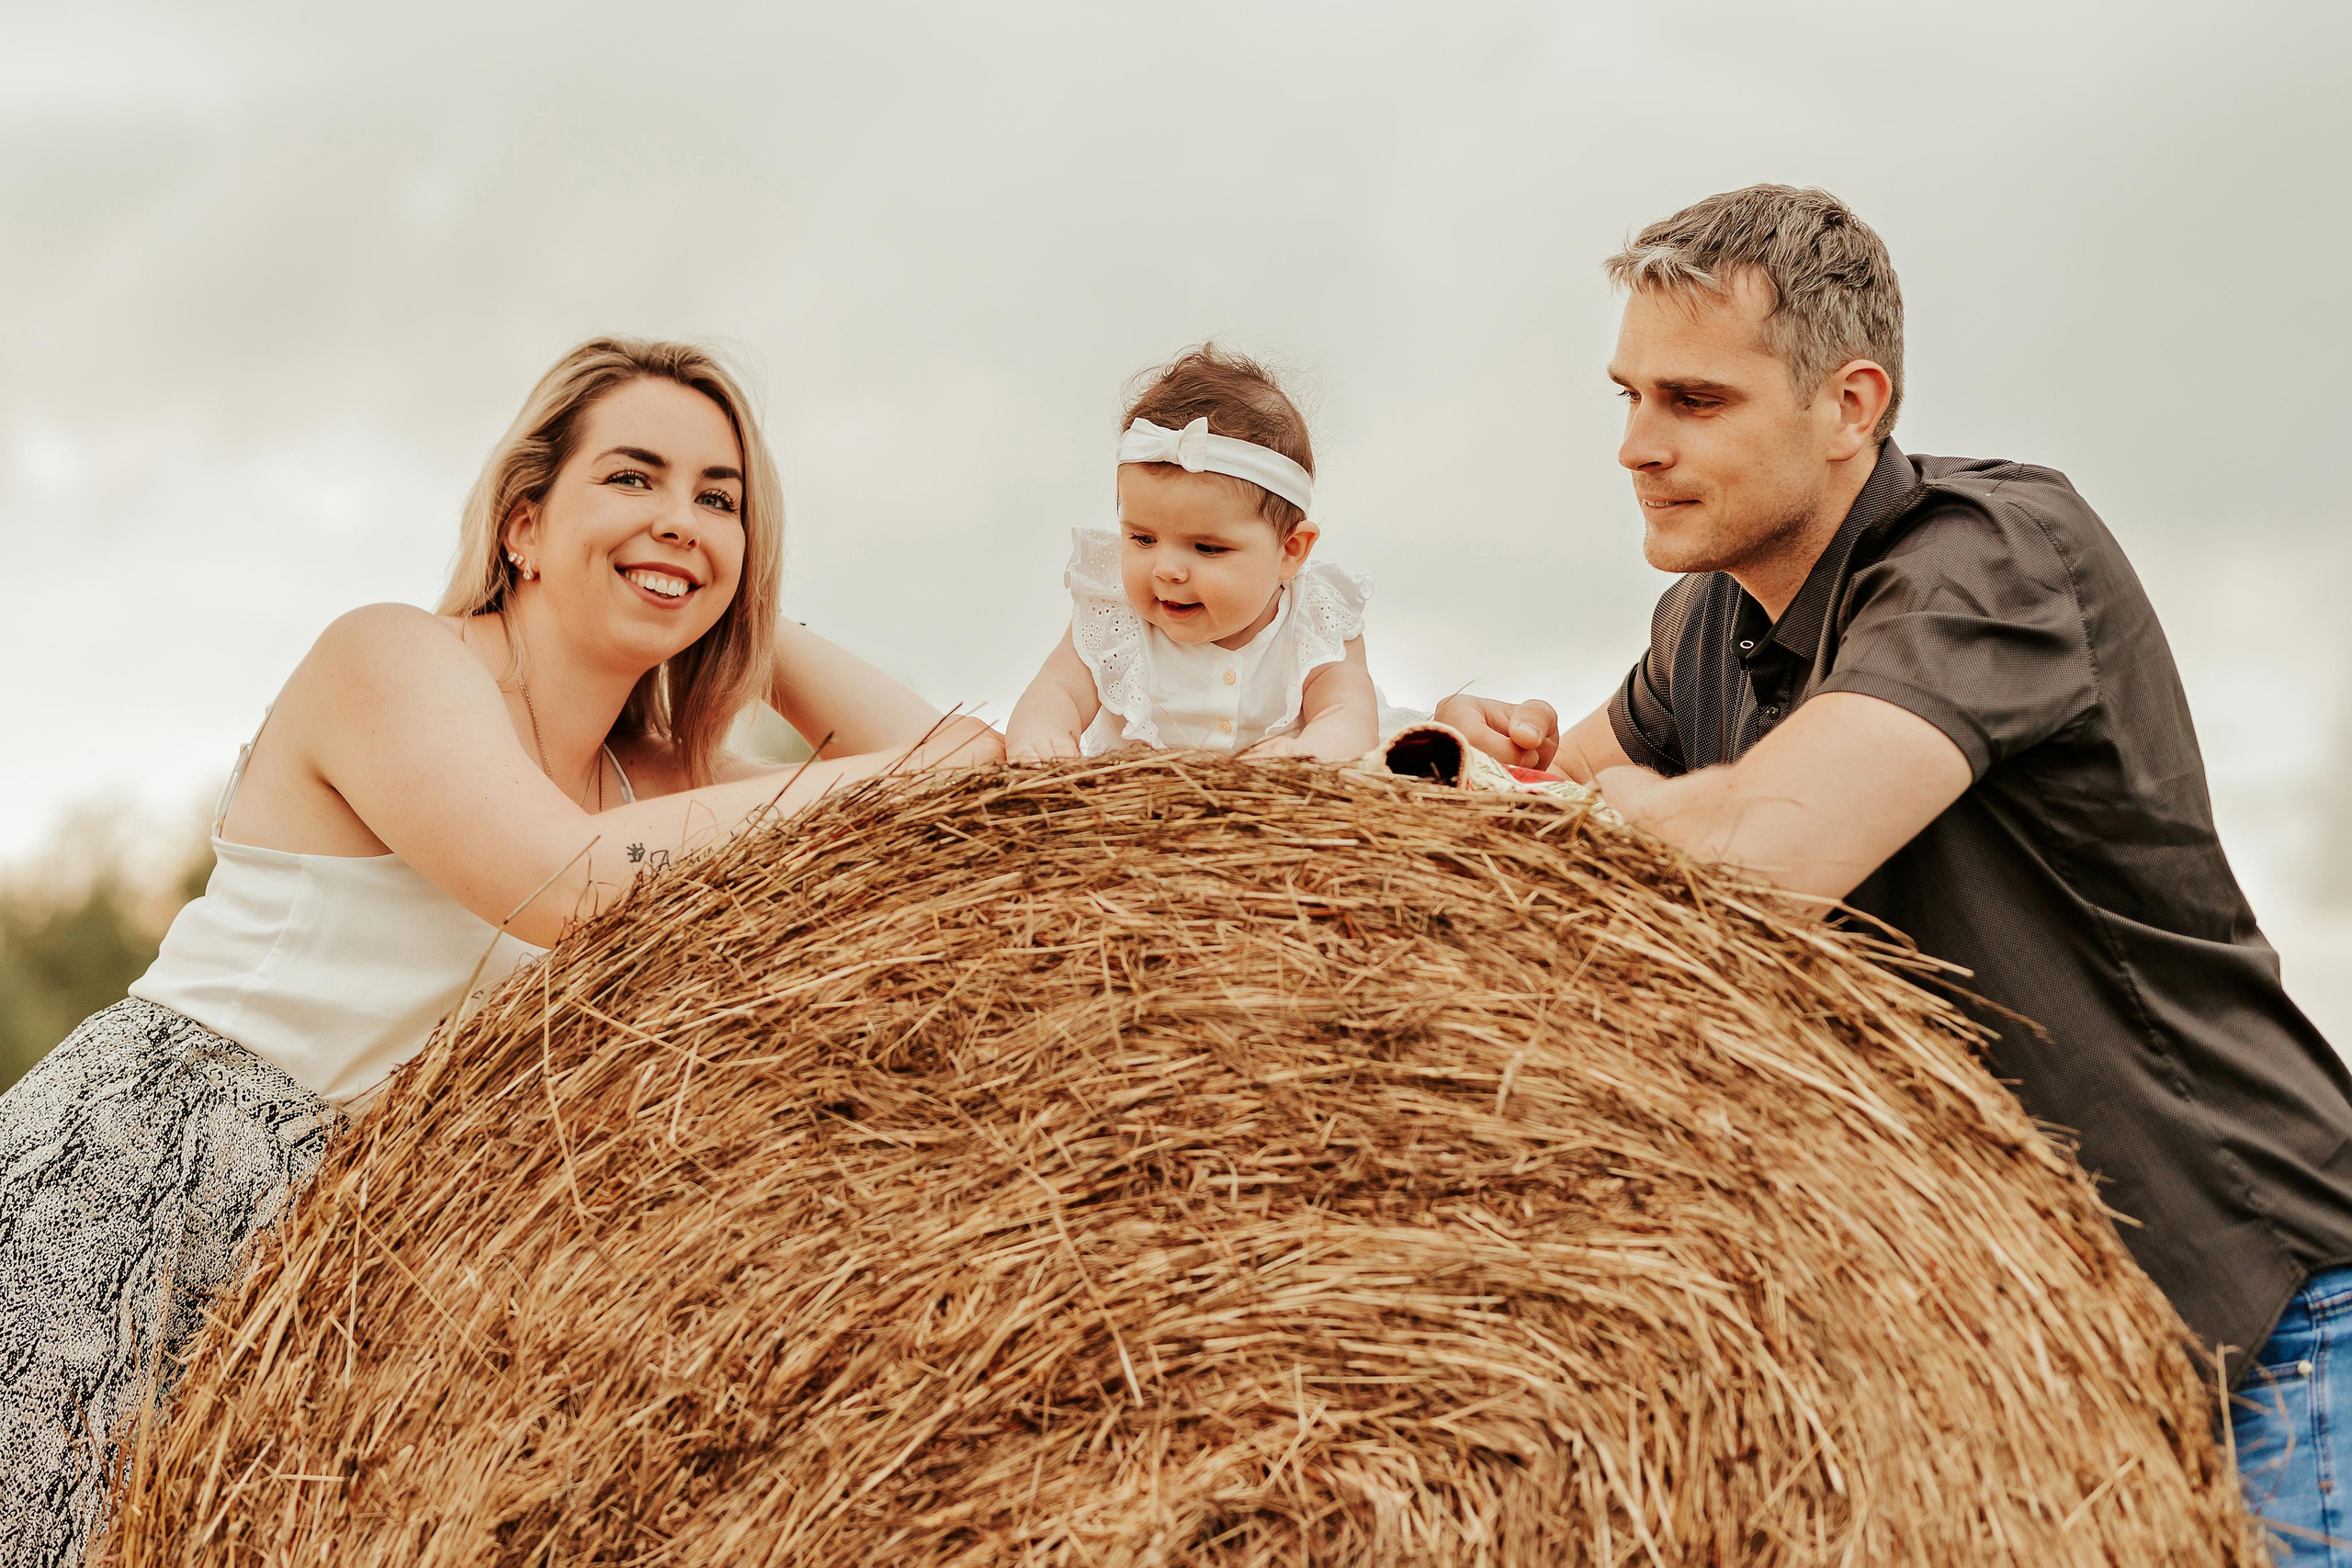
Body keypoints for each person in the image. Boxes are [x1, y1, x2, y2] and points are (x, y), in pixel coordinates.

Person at [1438, 184, 2352, 1559]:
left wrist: (1598, 796)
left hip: (2272, 1321)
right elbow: (1540, 831)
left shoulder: (1995, 559)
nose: (1635, 444)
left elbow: (1764, 851)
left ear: (1852, 403)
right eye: (1625, 395)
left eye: (1694, 401)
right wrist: (1455, 759)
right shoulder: (1706, 617)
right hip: (2050, 1377)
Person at [0, 336, 1000, 1564]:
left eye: (719, 497)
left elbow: (963, 779)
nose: (679, 516)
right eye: (633, 478)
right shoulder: (394, 659)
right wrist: (841, 730)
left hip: (342, 1267)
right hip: (142, 1179)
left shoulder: (664, 784)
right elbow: (566, 882)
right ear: (523, 522)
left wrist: (748, 612)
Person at [1006, 346, 1380, 764]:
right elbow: (1056, 692)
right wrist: (1043, 736)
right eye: (1143, 539)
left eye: (1207, 547)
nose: (1166, 570)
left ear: (1290, 551)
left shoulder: (1314, 620)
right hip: (1138, 812)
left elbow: (1349, 714)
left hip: (1278, 814)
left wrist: (1309, 752)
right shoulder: (1113, 616)